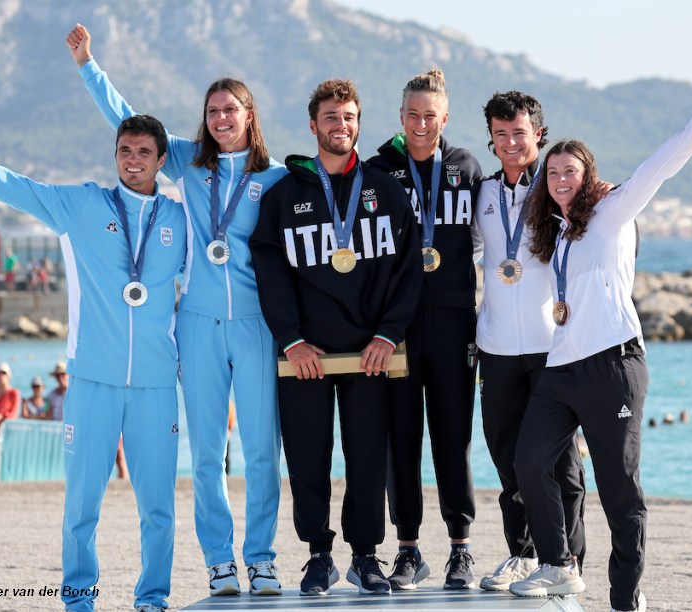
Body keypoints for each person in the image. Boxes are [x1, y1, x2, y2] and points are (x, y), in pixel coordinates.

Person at [0, 110, 189, 612]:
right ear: (114, 156)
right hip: (91, 382)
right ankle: (79, 601)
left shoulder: (179, 220)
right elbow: (14, 185)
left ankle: (153, 599)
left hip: (156, 385)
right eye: (125, 150)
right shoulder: (80, 205)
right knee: (81, 508)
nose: (134, 160)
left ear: (162, 160)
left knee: (159, 509)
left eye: (145, 152)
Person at [67, 23, 288, 597]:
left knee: (264, 448)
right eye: (212, 110)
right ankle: (219, 560)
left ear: (249, 115)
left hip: (257, 326)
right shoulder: (188, 163)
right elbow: (131, 122)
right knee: (208, 451)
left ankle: (261, 557)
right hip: (197, 326)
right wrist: (90, 65)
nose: (220, 119)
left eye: (230, 110)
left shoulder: (279, 178)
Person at [508, 78, 692, 612]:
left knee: (618, 488)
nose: (560, 178)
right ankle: (559, 567)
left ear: (588, 177)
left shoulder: (611, 214)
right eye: (554, 171)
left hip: (614, 365)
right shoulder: (557, 234)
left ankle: (624, 598)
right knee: (529, 461)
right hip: (561, 368)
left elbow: (657, 168)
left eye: (571, 170)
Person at [249, 79, 423, 596]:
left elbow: (408, 267)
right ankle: (318, 555)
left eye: (348, 117)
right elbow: (269, 269)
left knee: (369, 456)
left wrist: (389, 335)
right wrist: (291, 338)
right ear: (313, 124)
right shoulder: (285, 196)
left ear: (359, 124)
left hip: (370, 353)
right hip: (307, 355)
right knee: (308, 459)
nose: (340, 125)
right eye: (330, 117)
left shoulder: (385, 190)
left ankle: (366, 555)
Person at [365, 68, 482, 590]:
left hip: (455, 321)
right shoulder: (378, 170)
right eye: (411, 115)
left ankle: (461, 546)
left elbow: (493, 235)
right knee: (401, 438)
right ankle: (408, 549)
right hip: (397, 323)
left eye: (429, 115)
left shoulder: (466, 167)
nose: (419, 124)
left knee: (453, 438)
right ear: (400, 116)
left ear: (445, 118)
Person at [470, 90, 587, 592]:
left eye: (519, 132)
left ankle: (569, 561)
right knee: (508, 458)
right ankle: (523, 555)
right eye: (501, 134)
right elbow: (467, 250)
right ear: (492, 140)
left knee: (560, 463)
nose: (511, 142)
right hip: (495, 349)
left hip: (552, 350)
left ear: (537, 134)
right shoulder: (484, 193)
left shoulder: (560, 190)